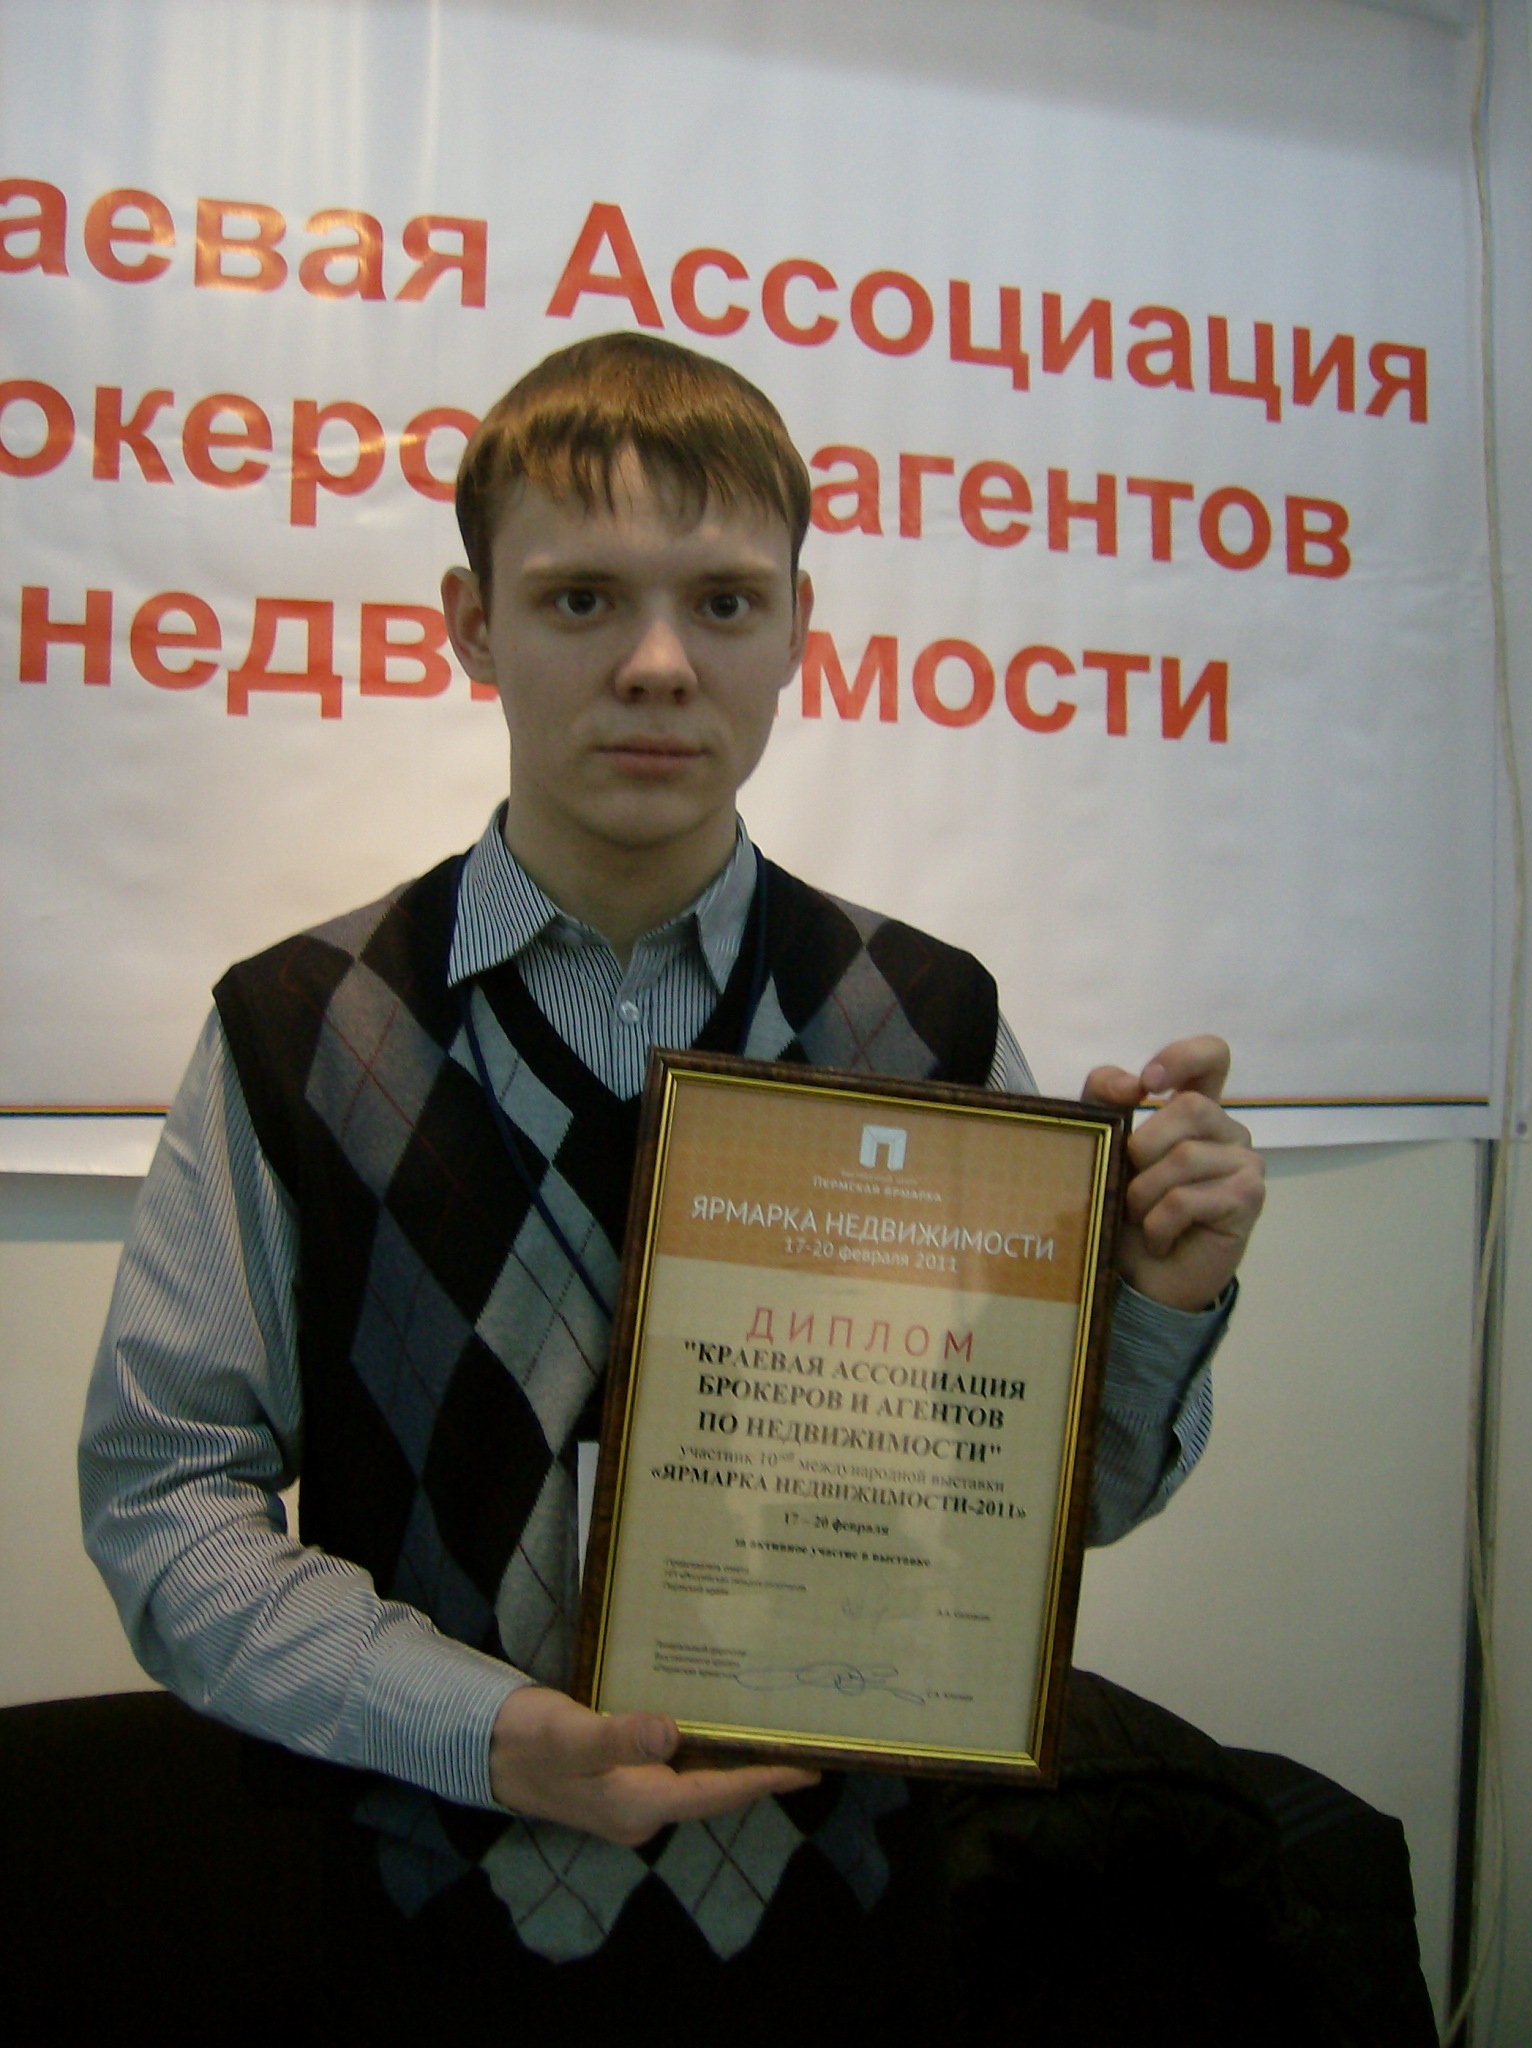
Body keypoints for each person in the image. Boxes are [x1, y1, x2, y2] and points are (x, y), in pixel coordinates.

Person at [80, 332, 1264, 2036]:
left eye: (722, 602)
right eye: (580, 600)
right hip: (420, 1942)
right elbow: (163, 1499)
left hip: (843, 1950)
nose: (656, 664)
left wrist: (1153, 1300)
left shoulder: (928, 1020)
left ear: (797, 630)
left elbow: (1044, 1512)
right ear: (470, 623)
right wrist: (485, 1733)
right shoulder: (296, 1029)